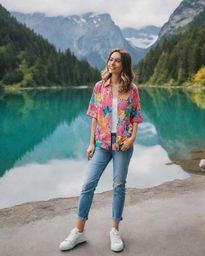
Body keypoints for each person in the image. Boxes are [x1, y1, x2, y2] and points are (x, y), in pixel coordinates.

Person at [59, 48, 143, 252]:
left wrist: (132, 138)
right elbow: (95, 116)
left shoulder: (132, 89)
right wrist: (91, 143)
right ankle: (78, 232)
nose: (112, 63)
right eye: (110, 59)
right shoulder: (99, 87)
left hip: (123, 144)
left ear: (124, 65)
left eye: (117, 61)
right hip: (102, 144)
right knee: (88, 184)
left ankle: (114, 230)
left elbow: (136, 115)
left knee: (118, 185)